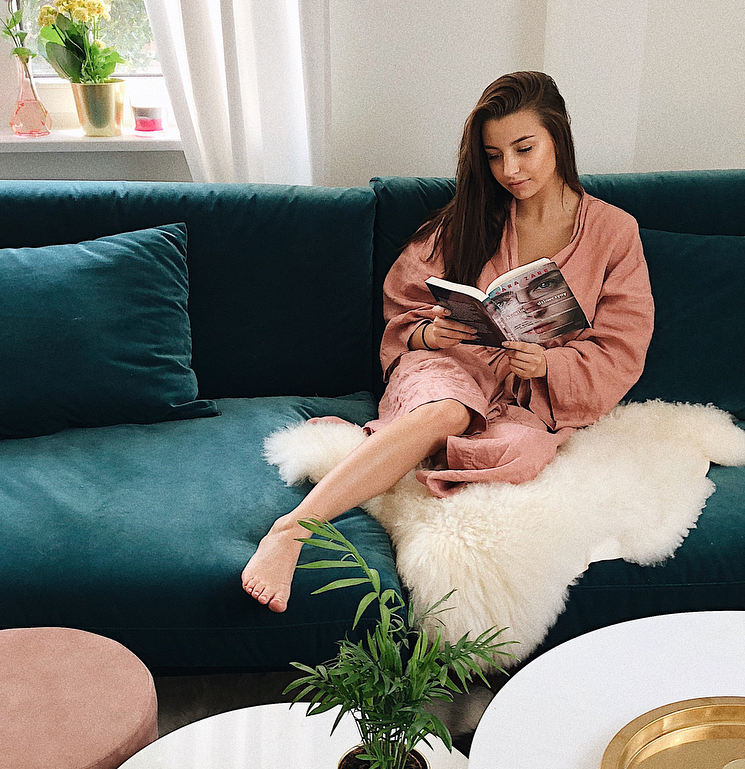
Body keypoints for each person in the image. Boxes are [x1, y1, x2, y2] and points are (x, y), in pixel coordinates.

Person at [242, 70, 654, 612]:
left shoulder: (614, 231)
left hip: (529, 393)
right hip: (446, 365)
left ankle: (390, 449)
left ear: (559, 136)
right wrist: (428, 331)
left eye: (524, 149)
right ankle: (293, 529)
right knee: (448, 410)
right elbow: (405, 304)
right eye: (494, 156)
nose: (510, 170)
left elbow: (622, 344)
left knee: (518, 454)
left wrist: (547, 366)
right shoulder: (470, 217)